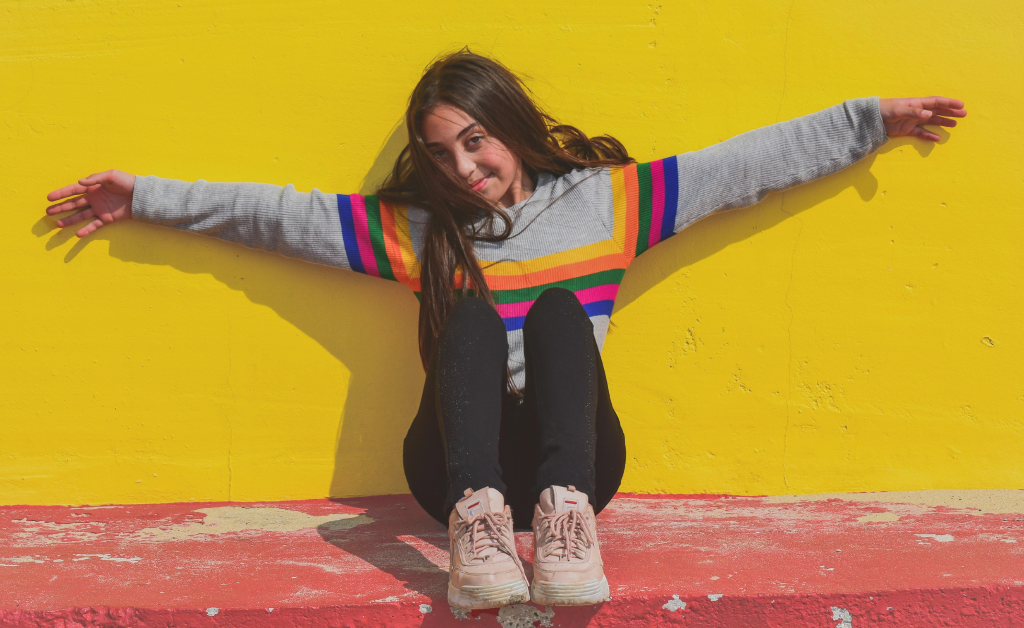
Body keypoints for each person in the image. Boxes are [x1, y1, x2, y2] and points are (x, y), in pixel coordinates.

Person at [44, 49, 966, 610]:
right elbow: (277, 215)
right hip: (455, 474)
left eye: (475, 140)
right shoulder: (423, 233)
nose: (465, 166)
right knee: (472, 315)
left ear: (509, 126)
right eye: (442, 154)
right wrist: (147, 197)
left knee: (565, 314)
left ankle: (563, 527)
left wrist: (868, 122)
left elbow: (744, 165)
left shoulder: (611, 204)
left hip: (576, 471)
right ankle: (480, 535)